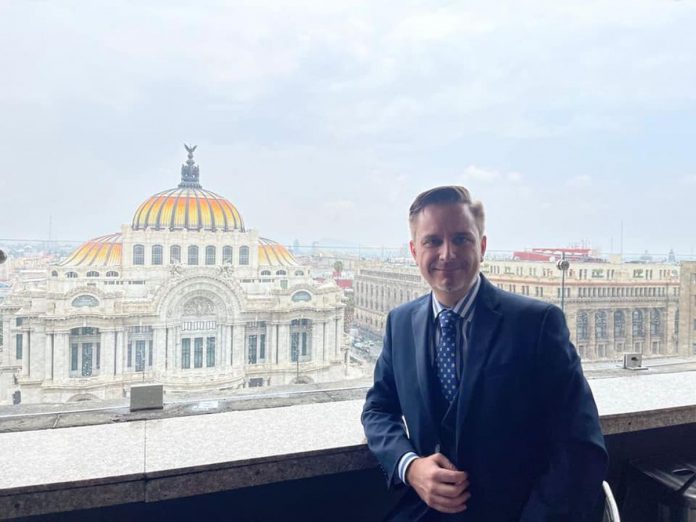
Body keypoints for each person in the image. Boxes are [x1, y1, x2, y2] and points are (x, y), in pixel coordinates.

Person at [362, 186, 607, 521]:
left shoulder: (536, 323)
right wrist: (410, 466)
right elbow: (378, 409)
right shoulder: (400, 323)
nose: (447, 253)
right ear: (414, 251)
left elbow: (580, 446)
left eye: (461, 239)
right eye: (432, 241)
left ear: (483, 246)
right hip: (422, 513)